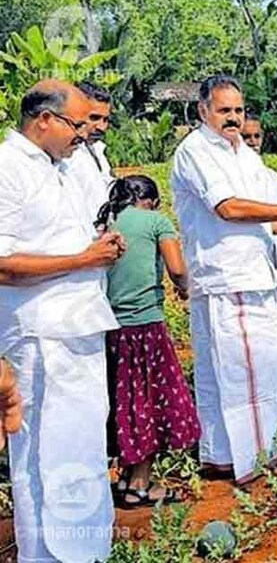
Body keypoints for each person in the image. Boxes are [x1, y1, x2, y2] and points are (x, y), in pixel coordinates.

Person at [171, 74, 277, 484]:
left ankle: (222, 455)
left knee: (238, 370)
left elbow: (264, 220)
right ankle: (260, 460)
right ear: (203, 110)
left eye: (238, 110)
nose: (233, 118)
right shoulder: (196, 150)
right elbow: (228, 208)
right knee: (247, 371)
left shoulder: (245, 154)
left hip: (251, 275)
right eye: (224, 110)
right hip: (229, 277)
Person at [0, 79, 123, 562]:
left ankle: (88, 552)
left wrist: (100, 249)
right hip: (38, 335)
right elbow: (4, 262)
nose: (82, 134)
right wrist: (83, 258)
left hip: (80, 326)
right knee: (40, 458)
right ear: (43, 120)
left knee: (83, 450)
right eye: (76, 124)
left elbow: (74, 240)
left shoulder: (66, 168)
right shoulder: (9, 167)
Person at [96, 175, 200, 508]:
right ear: (152, 201)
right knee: (150, 401)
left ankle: (126, 477)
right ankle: (139, 484)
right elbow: (176, 266)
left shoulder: (106, 223)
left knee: (124, 400)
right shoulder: (156, 221)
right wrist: (184, 287)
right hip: (145, 327)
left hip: (112, 328)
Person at [242, 113, 277, 384]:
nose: (252, 142)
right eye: (246, 136)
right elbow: (266, 223)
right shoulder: (235, 179)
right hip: (249, 273)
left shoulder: (271, 177)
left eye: (256, 136)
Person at [60, 81, 116, 228]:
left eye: (106, 119)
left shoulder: (96, 149)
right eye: (94, 118)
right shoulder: (62, 156)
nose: (102, 127)